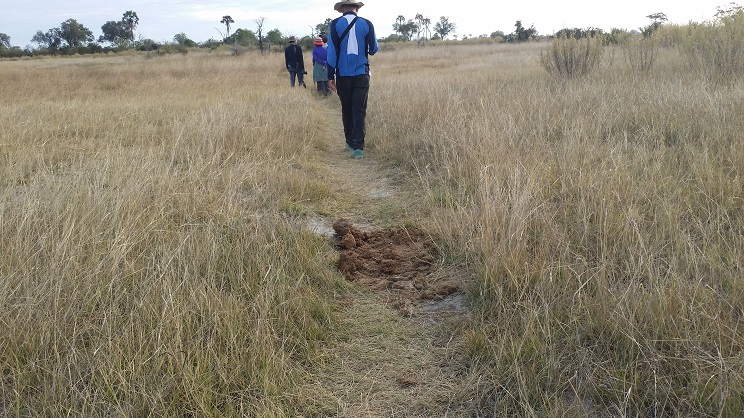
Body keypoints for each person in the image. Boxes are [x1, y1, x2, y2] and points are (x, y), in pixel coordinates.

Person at [327, 0, 379, 159]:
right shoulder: (367, 24)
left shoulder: (335, 24)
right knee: (359, 109)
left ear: (342, 8)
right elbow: (374, 49)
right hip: (362, 73)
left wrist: (330, 76)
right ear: (357, 8)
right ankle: (359, 148)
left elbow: (331, 52)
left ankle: (349, 142)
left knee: (346, 108)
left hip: (343, 74)